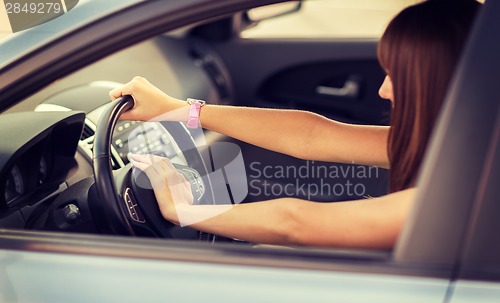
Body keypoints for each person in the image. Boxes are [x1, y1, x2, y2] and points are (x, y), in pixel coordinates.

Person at [109, 0, 480, 249]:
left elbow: (297, 222)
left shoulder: (473, 187)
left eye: (397, 75)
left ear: (444, 81)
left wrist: (184, 210)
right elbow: (316, 135)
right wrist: (180, 110)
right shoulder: (459, 146)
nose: (383, 90)